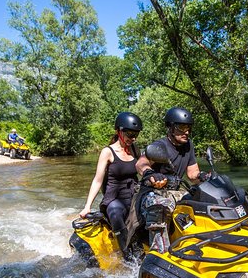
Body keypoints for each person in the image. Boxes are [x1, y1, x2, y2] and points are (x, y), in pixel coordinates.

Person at [132, 107, 209, 253]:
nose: (186, 131)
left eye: (188, 128)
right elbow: (140, 163)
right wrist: (149, 173)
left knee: (201, 201)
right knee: (160, 205)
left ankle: (199, 245)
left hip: (175, 191)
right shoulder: (160, 146)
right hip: (152, 193)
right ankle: (158, 253)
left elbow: (192, 174)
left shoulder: (188, 146)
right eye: (181, 127)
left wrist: (203, 176)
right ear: (171, 128)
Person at [79, 112, 143, 259]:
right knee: (115, 211)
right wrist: (87, 206)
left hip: (133, 196)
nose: (132, 138)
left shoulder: (135, 149)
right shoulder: (107, 152)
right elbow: (97, 180)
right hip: (114, 200)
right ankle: (127, 255)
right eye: (129, 134)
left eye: (136, 135)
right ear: (118, 131)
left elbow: (143, 169)